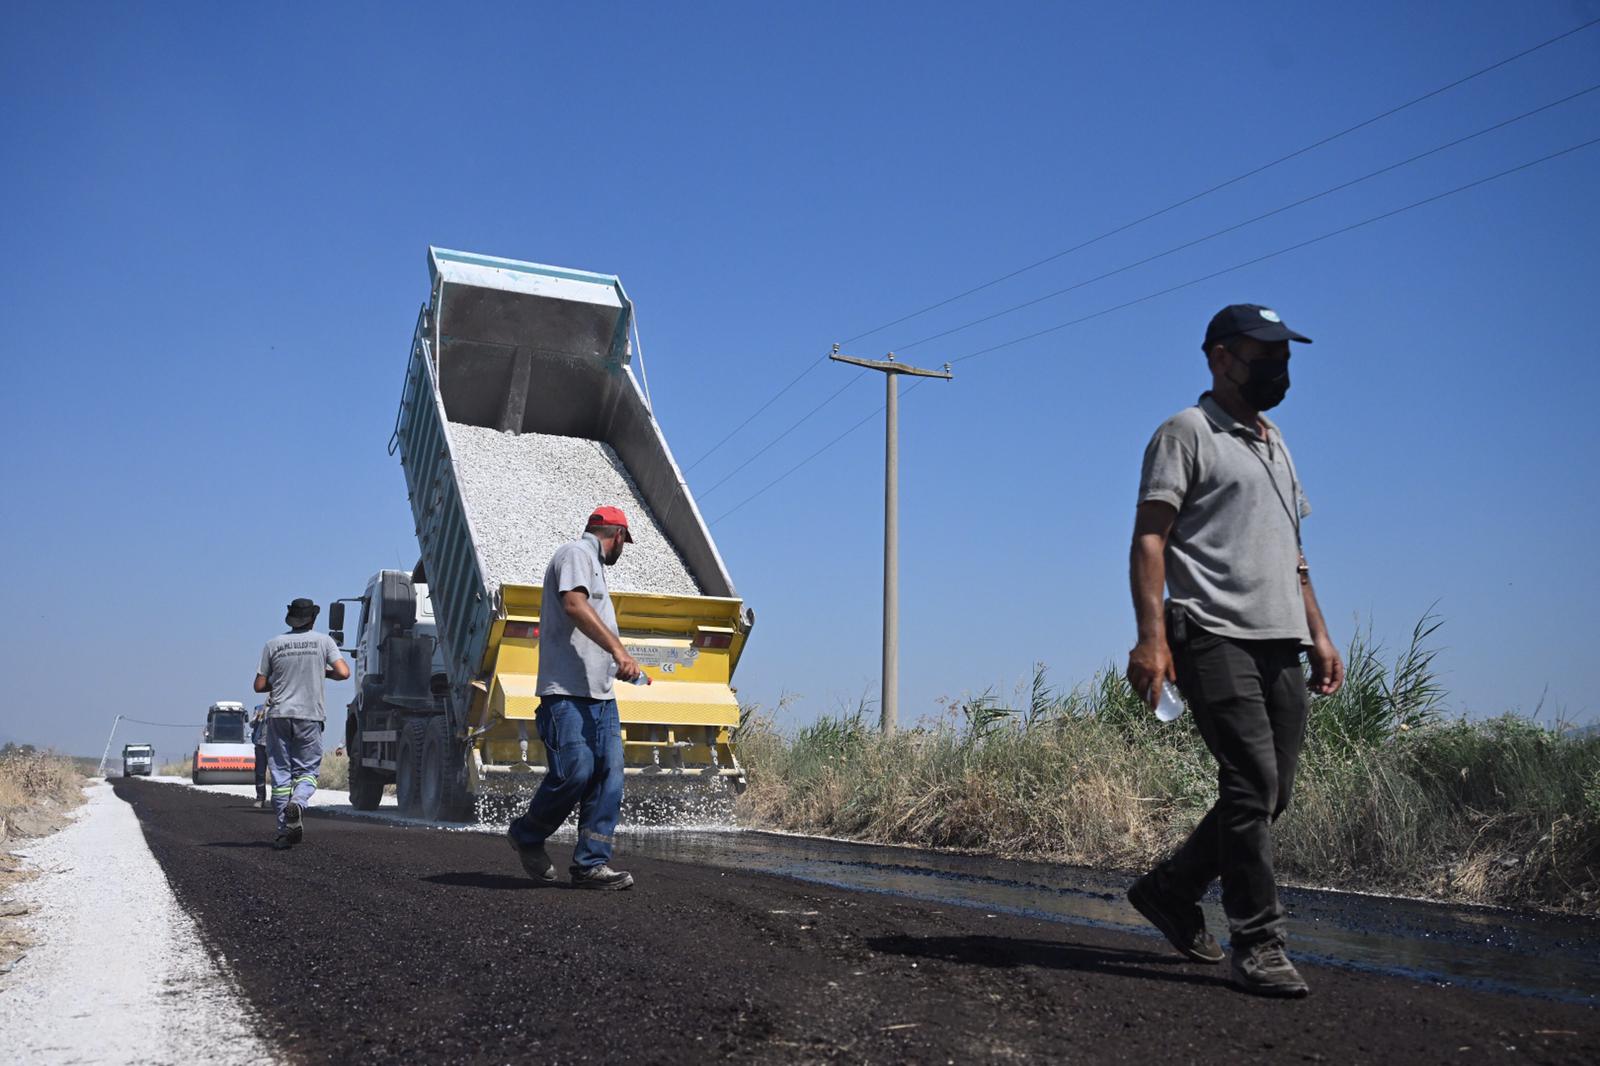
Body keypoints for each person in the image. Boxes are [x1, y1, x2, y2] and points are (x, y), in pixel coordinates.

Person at [1124, 304, 1345, 998]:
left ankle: (1172, 888)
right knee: (1250, 781)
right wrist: (1151, 637)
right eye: (1264, 355)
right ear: (1219, 358)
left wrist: (1318, 629)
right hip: (1212, 632)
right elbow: (1150, 538)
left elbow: (1293, 552)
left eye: (1284, 356)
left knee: (1270, 792)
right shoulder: (1185, 433)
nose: (1279, 369)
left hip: (1280, 636)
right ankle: (1259, 943)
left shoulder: (1275, 442)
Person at [506, 507, 643, 890]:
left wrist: (612, 663)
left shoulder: (594, 566)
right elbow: (574, 605)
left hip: (600, 696)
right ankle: (527, 833)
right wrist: (619, 651)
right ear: (616, 535)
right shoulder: (575, 554)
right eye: (624, 543)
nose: (623, 550)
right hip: (565, 694)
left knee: (608, 777)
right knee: (576, 771)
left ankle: (590, 865)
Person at [253, 598, 350, 850]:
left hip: (278, 716)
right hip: (310, 716)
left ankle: (284, 830)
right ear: (313, 619)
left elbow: (259, 686)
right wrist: (321, 671)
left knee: (280, 775)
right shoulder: (324, 642)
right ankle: (299, 801)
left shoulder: (273, 644)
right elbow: (343, 672)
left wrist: (282, 679)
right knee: (307, 771)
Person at [250, 703, 269, 808]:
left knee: (278, 773)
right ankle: (260, 798)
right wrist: (258, 717)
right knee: (260, 773)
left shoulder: (281, 707)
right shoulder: (259, 708)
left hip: (276, 745)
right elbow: (251, 724)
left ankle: (279, 799)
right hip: (260, 744)